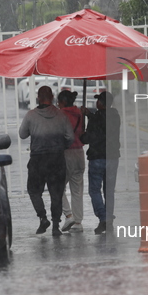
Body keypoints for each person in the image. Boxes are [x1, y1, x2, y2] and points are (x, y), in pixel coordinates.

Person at [19, 86, 74, 236]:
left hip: (37, 160)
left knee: (33, 190)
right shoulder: (61, 116)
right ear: (53, 97)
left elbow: (22, 134)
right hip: (57, 159)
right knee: (56, 193)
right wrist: (61, 146)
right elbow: (70, 137)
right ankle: (56, 225)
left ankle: (43, 218)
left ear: (38, 97)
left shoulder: (31, 116)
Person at [80, 91, 121, 234]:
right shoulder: (115, 116)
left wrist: (82, 134)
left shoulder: (96, 118)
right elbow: (103, 120)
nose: (96, 103)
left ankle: (103, 218)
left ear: (101, 103)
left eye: (98, 101)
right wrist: (89, 114)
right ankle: (108, 218)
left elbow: (87, 138)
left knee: (94, 190)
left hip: (97, 158)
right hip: (112, 158)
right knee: (109, 191)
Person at [57, 90, 85, 233]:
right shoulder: (79, 113)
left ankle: (68, 215)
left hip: (66, 153)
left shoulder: (60, 115)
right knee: (77, 189)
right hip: (79, 153)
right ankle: (78, 222)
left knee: (57, 186)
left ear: (62, 102)